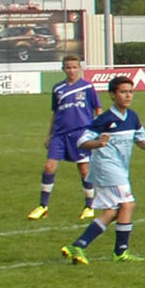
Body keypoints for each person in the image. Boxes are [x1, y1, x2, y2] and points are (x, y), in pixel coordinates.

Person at [59, 75, 145, 264]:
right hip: (107, 168)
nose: (128, 96)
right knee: (128, 204)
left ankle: (77, 246)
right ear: (112, 95)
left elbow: (138, 137)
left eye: (130, 92)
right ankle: (120, 252)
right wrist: (98, 143)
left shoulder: (132, 117)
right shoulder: (104, 119)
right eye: (123, 92)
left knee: (113, 211)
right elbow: (81, 142)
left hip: (119, 168)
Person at [29, 55, 99, 221]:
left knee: (84, 170)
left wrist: (96, 131)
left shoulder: (88, 87)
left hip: (81, 134)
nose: (71, 70)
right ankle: (43, 206)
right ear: (63, 69)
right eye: (68, 67)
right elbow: (55, 113)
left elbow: (98, 109)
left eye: (74, 67)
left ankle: (89, 206)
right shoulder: (57, 88)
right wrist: (49, 134)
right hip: (60, 135)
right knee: (49, 167)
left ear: (80, 68)